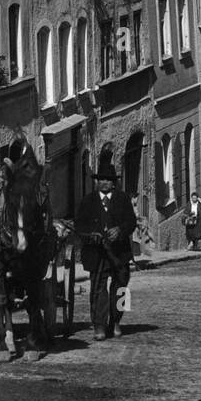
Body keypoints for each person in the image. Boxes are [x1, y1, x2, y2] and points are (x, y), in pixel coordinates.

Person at [74, 147, 137, 342]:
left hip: (120, 253)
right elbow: (79, 225)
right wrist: (90, 236)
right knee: (98, 290)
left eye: (108, 180)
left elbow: (131, 222)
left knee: (121, 289)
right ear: (97, 182)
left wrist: (120, 230)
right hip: (97, 254)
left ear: (113, 183)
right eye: (101, 180)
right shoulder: (88, 201)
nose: (104, 183)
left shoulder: (123, 199)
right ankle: (99, 325)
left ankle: (116, 322)